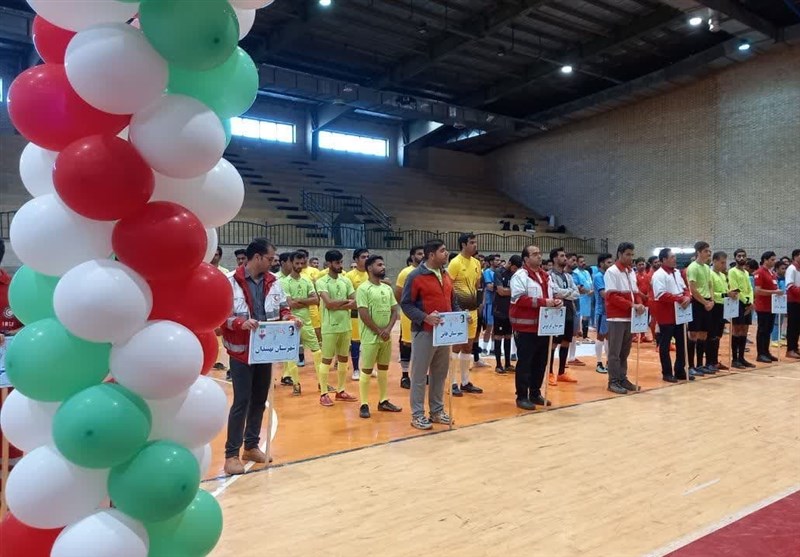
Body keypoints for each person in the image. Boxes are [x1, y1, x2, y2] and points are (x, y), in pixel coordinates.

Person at [221, 238, 298, 475]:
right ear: (257, 257)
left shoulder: (274, 282)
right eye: (270, 258)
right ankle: (231, 454)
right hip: (241, 351)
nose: (273, 262)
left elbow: (283, 309)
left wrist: (290, 318)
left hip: (266, 350)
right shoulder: (229, 282)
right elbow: (221, 315)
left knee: (259, 399)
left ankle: (251, 446)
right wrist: (240, 323)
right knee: (241, 401)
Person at [401, 239, 463, 430]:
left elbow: (453, 301)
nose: (446, 253)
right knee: (419, 375)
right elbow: (406, 304)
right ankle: (417, 414)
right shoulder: (415, 276)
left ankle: (436, 411)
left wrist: (460, 316)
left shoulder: (445, 274)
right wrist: (425, 318)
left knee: (440, 373)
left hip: (444, 333)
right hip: (424, 332)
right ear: (431, 255)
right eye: (442, 251)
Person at [510, 245, 561, 410]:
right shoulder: (520, 276)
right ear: (526, 259)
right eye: (535, 254)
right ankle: (522, 396)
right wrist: (545, 302)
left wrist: (556, 301)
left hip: (545, 326)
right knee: (525, 363)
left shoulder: (546, 276)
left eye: (540, 253)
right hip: (525, 328)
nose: (539, 256)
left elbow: (553, 294)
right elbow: (519, 299)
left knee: (541, 362)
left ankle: (535, 392)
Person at [356, 255, 402, 418]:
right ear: (369, 268)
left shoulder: (387, 289)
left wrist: (388, 330)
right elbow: (363, 313)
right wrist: (378, 331)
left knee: (383, 369)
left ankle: (383, 400)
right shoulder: (363, 289)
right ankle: (364, 404)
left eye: (383, 264)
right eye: (379, 265)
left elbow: (394, 310)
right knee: (367, 370)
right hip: (370, 337)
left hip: (386, 337)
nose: (383, 267)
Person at [316, 250, 359, 406]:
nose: (340, 265)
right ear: (329, 264)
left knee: (343, 359)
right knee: (326, 360)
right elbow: (328, 304)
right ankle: (323, 394)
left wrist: (338, 304)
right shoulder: (322, 282)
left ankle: (341, 391)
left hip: (345, 326)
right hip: (329, 327)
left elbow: (356, 302)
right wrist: (345, 302)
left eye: (341, 262)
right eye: (337, 262)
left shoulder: (345, 280)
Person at [604, 242, 645, 394]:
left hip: (630, 316)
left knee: (625, 351)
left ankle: (622, 378)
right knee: (614, 352)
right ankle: (613, 381)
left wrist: (640, 305)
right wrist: (632, 305)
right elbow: (612, 296)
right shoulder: (612, 271)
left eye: (632, 255)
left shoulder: (631, 272)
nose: (630, 257)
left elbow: (636, 293)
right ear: (619, 254)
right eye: (628, 254)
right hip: (616, 317)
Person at [279, 251, 322, 395]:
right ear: (291, 263)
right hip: (290, 323)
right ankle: (296, 384)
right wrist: (305, 301)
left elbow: (316, 300)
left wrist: (299, 301)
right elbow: (290, 304)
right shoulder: (284, 282)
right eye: (296, 263)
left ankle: (322, 383)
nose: (299, 266)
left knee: (317, 351)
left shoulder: (306, 280)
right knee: (291, 354)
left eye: (302, 263)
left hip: (307, 323)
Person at [447, 233, 484, 396]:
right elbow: (448, 287)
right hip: (459, 312)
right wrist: (456, 309)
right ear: (463, 244)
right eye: (472, 242)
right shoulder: (455, 263)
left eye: (475, 242)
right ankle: (452, 383)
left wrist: (478, 304)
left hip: (473, 310)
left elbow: (477, 286)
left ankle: (465, 382)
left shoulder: (476, 263)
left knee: (468, 346)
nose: (475, 245)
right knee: (456, 346)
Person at [0, 239, 24, 470]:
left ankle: (10, 463)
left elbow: (27, 324)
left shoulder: (14, 289)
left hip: (7, 375)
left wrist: (9, 334)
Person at [651, 248, 692, 382]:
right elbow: (661, 294)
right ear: (664, 259)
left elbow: (685, 288)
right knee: (665, 344)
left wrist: (687, 297)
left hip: (680, 312)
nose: (675, 259)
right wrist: (680, 299)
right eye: (672, 257)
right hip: (666, 313)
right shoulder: (658, 275)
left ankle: (680, 370)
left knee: (683, 343)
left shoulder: (677, 273)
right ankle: (667, 372)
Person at [547, 247, 580, 384]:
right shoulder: (549, 275)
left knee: (566, 341)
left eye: (565, 256)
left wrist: (564, 293)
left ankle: (561, 372)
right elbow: (555, 292)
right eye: (562, 256)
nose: (565, 258)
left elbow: (576, 293)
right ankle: (549, 373)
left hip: (569, 311)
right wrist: (568, 292)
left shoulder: (568, 276)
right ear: (555, 258)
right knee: (553, 342)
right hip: (556, 311)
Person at [395, 246, 424, 389]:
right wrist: (408, 309)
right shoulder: (405, 272)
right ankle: (405, 375)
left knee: (424, 344)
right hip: (409, 314)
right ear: (412, 256)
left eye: (423, 253)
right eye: (419, 254)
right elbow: (398, 294)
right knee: (407, 344)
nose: (422, 256)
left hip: (424, 314)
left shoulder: (428, 271)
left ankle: (422, 374)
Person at [686, 242, 715, 377]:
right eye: (706, 251)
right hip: (697, 303)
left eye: (709, 251)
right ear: (698, 252)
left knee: (703, 334)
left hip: (707, 302)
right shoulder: (693, 267)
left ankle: (699, 365)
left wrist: (712, 300)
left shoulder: (707, 267)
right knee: (693, 334)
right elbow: (692, 288)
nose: (708, 253)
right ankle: (690, 366)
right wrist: (704, 302)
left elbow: (710, 285)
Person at [707, 251, 737, 371]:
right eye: (722, 262)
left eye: (725, 263)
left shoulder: (723, 276)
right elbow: (710, 293)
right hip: (714, 306)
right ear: (714, 261)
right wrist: (725, 294)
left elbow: (725, 290)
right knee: (712, 335)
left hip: (723, 307)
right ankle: (709, 362)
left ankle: (715, 361)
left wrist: (731, 293)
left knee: (718, 335)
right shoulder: (709, 274)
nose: (724, 265)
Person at [492, 256, 521, 373]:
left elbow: (507, 291)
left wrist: (508, 291)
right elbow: (501, 291)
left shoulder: (515, 275)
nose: (515, 271)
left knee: (508, 336)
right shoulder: (499, 272)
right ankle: (498, 365)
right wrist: (516, 291)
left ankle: (508, 363)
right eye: (514, 268)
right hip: (499, 310)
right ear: (510, 263)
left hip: (511, 310)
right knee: (498, 337)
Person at [728, 249, 756, 369]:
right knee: (737, 330)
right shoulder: (732, 272)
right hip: (737, 303)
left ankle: (741, 358)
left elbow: (750, 288)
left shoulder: (746, 272)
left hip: (747, 303)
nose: (741, 258)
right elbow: (735, 289)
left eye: (743, 256)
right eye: (739, 256)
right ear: (735, 258)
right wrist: (747, 302)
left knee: (744, 330)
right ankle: (735, 359)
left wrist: (751, 301)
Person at [346, 248, 370, 380]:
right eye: (363, 257)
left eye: (367, 257)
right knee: (356, 341)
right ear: (356, 259)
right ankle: (356, 369)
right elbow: (347, 296)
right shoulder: (349, 276)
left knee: (369, 341)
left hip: (371, 313)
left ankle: (368, 367)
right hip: (355, 313)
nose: (366, 259)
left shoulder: (371, 273)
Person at [754, 251, 782, 363]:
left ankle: (766, 352)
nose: (774, 262)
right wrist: (774, 292)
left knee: (768, 330)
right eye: (772, 260)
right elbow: (758, 290)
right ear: (765, 260)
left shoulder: (772, 273)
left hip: (772, 306)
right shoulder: (760, 272)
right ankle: (760, 354)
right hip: (763, 307)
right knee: (762, 330)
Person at [592, 253, 613, 374]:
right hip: (601, 312)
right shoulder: (598, 276)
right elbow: (603, 294)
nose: (611, 265)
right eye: (608, 262)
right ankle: (599, 363)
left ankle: (609, 362)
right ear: (601, 264)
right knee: (600, 336)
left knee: (609, 337)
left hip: (610, 311)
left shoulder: (608, 276)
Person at [480, 254, 501, 355]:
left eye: (499, 260)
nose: (498, 262)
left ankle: (493, 348)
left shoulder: (499, 272)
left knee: (496, 327)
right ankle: (484, 348)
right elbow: (490, 287)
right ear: (491, 262)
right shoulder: (487, 272)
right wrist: (500, 288)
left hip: (498, 302)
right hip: (490, 302)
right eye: (496, 260)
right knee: (489, 326)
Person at [574, 255, 594, 342]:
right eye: (581, 262)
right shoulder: (575, 272)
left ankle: (585, 336)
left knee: (587, 316)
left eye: (584, 261)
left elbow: (591, 283)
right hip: (580, 297)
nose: (583, 263)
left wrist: (592, 290)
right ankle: (578, 334)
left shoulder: (587, 272)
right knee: (580, 316)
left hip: (588, 297)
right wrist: (587, 291)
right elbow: (577, 285)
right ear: (577, 263)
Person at [786, 249, 800, 359]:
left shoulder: (798, 269)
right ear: (795, 256)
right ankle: (790, 349)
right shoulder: (791, 268)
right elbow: (790, 286)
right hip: (793, 301)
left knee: (798, 326)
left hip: (798, 301)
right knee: (792, 326)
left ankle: (795, 347)